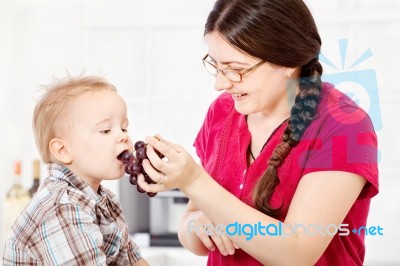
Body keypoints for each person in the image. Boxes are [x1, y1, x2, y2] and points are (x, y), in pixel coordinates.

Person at [137, 0, 379, 265]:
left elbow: (297, 253)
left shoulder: (343, 125)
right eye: (216, 66)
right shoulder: (222, 112)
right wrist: (199, 225)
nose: (220, 84)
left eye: (237, 70)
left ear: (288, 60)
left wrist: (193, 181)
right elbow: (191, 231)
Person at [2, 75, 149, 266]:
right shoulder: (61, 208)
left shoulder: (105, 201)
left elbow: (133, 260)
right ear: (63, 150)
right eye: (106, 130)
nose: (123, 137)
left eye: (124, 128)